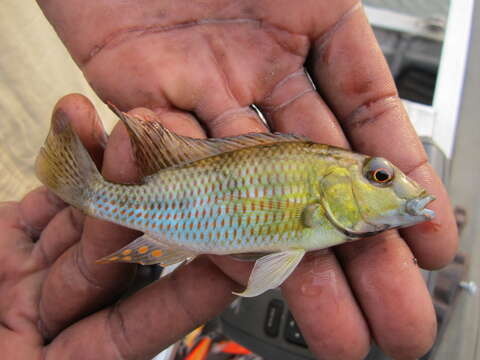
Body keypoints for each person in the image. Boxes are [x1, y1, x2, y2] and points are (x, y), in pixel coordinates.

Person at [0, 1, 458, 359]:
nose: (395, 186)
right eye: (378, 176)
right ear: (335, 188)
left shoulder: (320, 202)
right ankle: (85, 190)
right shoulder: (315, 205)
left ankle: (85, 191)